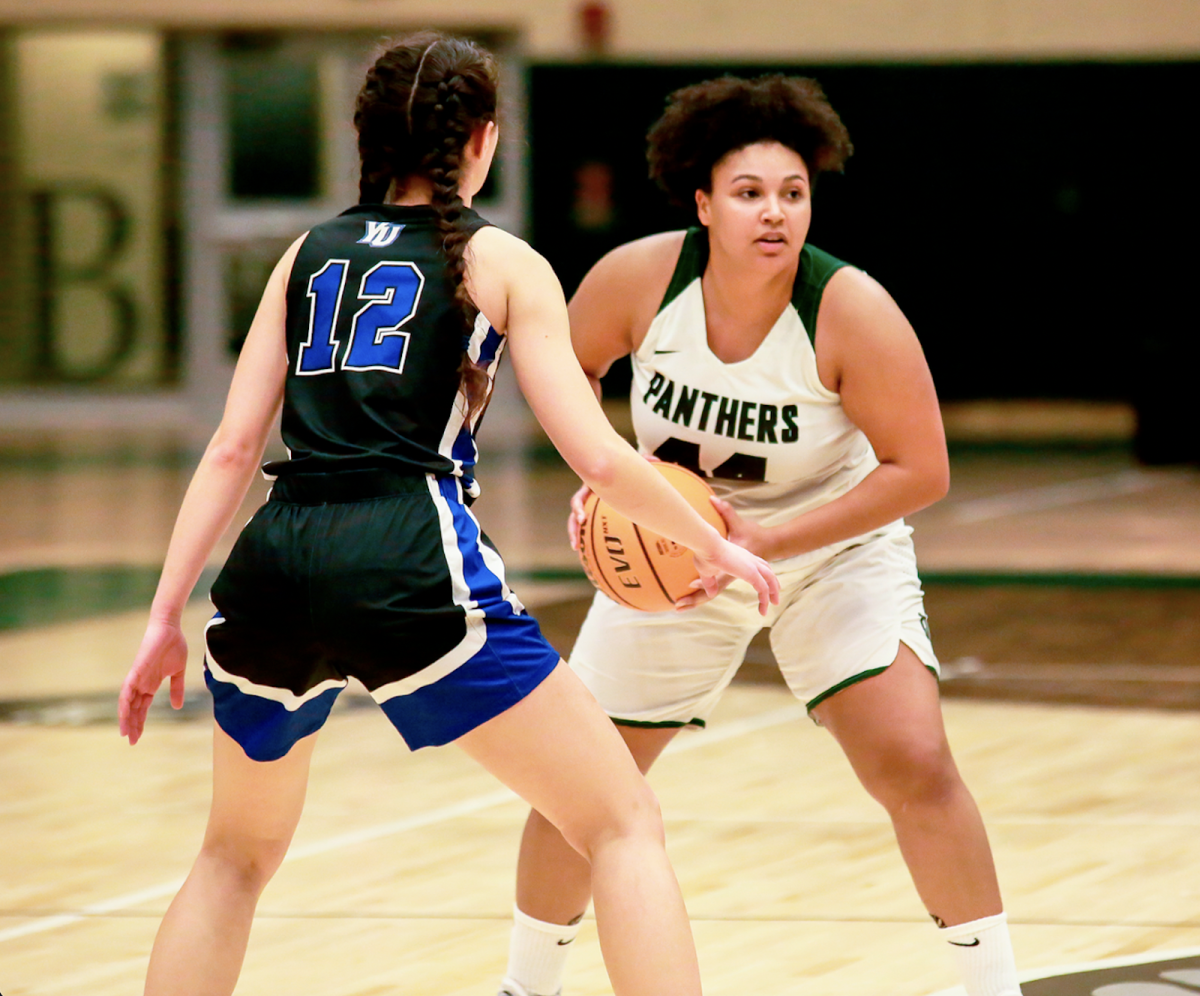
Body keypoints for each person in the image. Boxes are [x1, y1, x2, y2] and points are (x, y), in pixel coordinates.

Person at [118, 34, 779, 996]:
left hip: (275, 559)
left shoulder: (305, 253)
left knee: (232, 857)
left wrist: (160, 616)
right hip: (407, 550)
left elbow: (229, 448)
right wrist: (713, 540)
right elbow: (595, 452)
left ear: (365, 136)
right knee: (620, 822)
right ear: (481, 138)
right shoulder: (498, 258)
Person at [499, 75, 1023, 996]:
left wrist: (766, 545)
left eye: (793, 193)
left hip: (828, 551)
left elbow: (922, 472)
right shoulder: (638, 279)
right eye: (749, 193)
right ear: (703, 204)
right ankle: (524, 985)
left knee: (915, 760)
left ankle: (993, 986)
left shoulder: (852, 309)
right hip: (672, 553)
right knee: (583, 785)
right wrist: (604, 479)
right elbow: (563, 371)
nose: (774, 213)